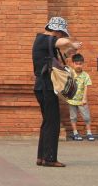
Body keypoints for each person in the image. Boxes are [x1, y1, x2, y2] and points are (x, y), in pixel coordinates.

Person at [32, 16, 82, 168]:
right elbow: (63, 42)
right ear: (56, 31)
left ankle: (42, 157)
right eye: (61, 33)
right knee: (53, 123)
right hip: (46, 87)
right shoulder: (43, 39)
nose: (61, 36)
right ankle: (49, 158)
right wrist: (71, 42)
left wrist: (68, 53)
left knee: (48, 122)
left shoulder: (45, 44)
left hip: (44, 86)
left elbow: (55, 62)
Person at [67, 53, 94, 142]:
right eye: (76, 63)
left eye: (80, 64)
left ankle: (89, 133)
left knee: (86, 117)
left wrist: (84, 98)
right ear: (72, 64)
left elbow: (86, 86)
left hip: (82, 100)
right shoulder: (70, 74)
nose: (78, 66)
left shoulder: (85, 75)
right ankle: (75, 133)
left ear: (83, 64)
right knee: (73, 117)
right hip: (71, 100)